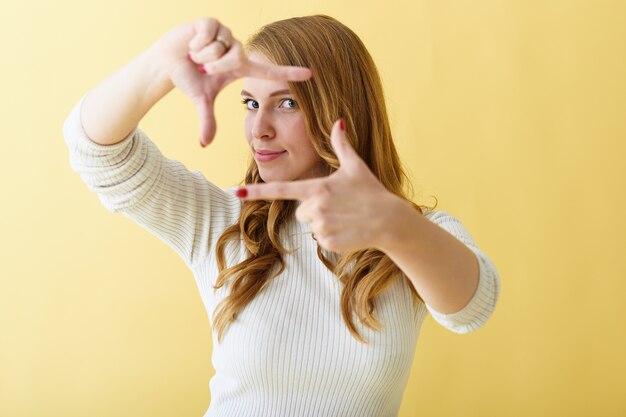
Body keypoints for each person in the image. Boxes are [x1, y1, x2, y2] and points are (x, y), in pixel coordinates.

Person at [63, 15, 500, 417]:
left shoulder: (414, 235)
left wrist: (394, 226)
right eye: (250, 103)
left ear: (341, 111)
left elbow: (472, 307)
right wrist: (162, 61)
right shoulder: (220, 221)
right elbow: (96, 153)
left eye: (286, 103)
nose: (259, 129)